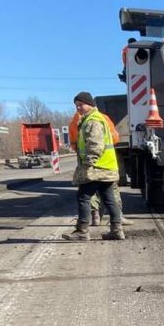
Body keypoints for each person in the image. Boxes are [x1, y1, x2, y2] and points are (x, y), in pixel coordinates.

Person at [62, 92, 125, 241]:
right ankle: (117, 230)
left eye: (80, 105)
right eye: (76, 106)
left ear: (90, 104)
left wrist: (88, 163)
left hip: (96, 168)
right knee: (109, 199)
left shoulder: (92, 120)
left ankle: (82, 232)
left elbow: (96, 145)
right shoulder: (99, 118)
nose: (78, 108)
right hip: (106, 167)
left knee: (83, 197)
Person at [69, 110, 130, 227]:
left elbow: (74, 143)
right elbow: (115, 138)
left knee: (85, 195)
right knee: (110, 194)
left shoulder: (76, 121)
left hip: (89, 162)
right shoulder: (102, 118)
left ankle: (93, 217)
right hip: (104, 163)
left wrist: (86, 162)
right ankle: (118, 224)